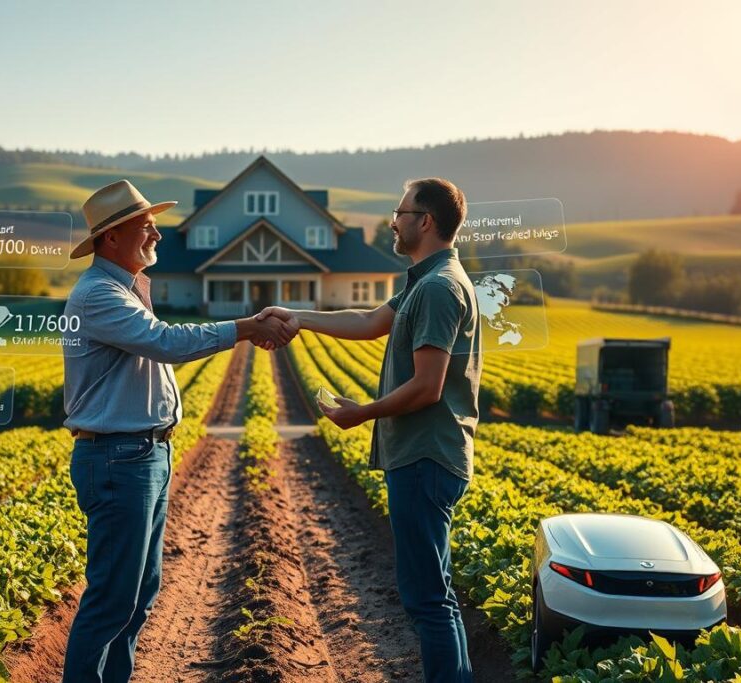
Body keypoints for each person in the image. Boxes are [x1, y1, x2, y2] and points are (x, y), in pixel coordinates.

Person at [61, 179, 297, 683]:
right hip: (118, 460)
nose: (157, 235)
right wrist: (246, 327)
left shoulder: (125, 288)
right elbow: (165, 343)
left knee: (139, 597)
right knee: (112, 600)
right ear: (111, 238)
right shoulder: (98, 295)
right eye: (146, 226)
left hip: (143, 456)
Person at [257, 177, 481, 683]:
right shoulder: (426, 282)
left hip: (425, 456)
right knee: (434, 593)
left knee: (427, 599)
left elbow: (427, 387)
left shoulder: (441, 288)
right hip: (422, 456)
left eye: (401, 213)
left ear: (425, 221)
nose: (393, 222)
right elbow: (368, 320)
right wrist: (298, 317)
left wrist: (363, 413)